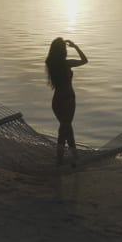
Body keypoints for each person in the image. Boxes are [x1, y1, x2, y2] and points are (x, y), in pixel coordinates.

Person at [45, 37, 88, 166]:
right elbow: (84, 60)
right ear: (63, 51)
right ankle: (62, 160)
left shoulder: (50, 63)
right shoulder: (66, 64)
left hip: (57, 100)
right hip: (68, 100)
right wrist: (75, 46)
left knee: (66, 129)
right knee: (65, 130)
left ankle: (73, 157)